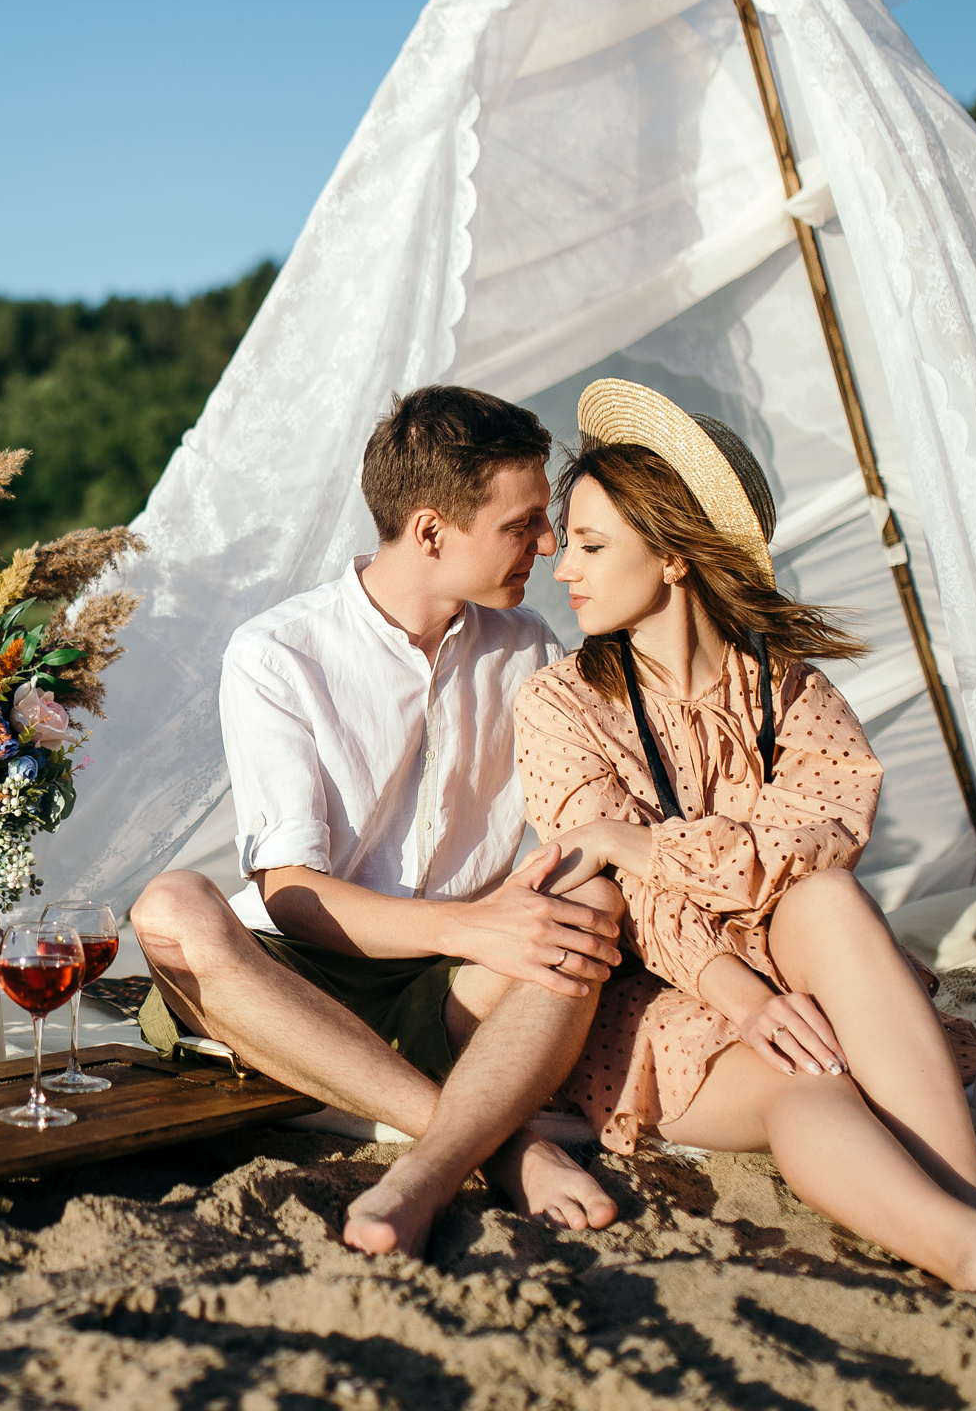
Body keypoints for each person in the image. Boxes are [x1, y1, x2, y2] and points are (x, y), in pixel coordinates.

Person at [517, 377, 976, 1316]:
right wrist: (740, 989)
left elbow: (818, 839)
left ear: (675, 556)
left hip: (805, 956)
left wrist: (639, 838)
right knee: (817, 1088)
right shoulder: (561, 704)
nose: (566, 569)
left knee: (826, 898)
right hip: (668, 999)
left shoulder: (785, 687)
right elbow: (635, 901)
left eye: (590, 545)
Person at [130, 384, 629, 1258]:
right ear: (431, 531)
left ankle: (420, 1130)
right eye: (523, 525)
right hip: (302, 979)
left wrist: (508, 918)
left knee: (591, 895)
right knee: (171, 908)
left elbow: (576, 823)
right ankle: (499, 1144)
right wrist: (476, 925)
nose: (549, 545)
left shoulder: (530, 645)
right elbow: (288, 895)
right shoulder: (277, 653)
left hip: (454, 985)